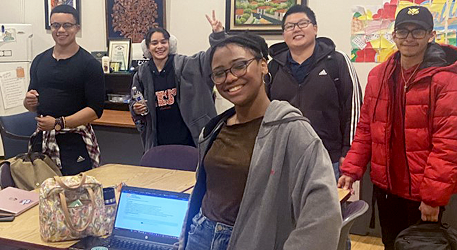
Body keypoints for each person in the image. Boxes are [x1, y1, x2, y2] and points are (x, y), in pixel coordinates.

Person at [179, 33, 341, 250]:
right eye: (219, 73)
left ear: (263, 65)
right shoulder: (213, 129)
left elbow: (323, 213)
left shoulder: (292, 130)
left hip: (251, 240)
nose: (230, 78)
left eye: (239, 66)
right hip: (201, 234)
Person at [338, 6, 457, 249]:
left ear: (431, 35)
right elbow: (367, 127)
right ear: (394, 35)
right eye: (403, 31)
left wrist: (432, 198)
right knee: (391, 244)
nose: (409, 38)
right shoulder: (379, 76)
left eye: (417, 31)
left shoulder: (447, 81)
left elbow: (449, 146)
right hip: (386, 187)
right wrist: (351, 169)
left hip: (422, 193)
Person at [267, 4, 362, 179]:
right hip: (283, 160)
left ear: (315, 28)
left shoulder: (337, 61)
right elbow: (263, 112)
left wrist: (348, 151)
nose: (296, 29)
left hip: (328, 158)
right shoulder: (272, 68)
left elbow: (354, 109)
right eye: (290, 26)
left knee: (326, 206)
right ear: (284, 34)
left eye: (302, 23)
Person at [24, 4, 104, 175]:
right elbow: (33, 106)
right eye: (55, 25)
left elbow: (95, 110)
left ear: (77, 28)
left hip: (75, 142)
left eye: (67, 25)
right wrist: (28, 101)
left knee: (76, 195)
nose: (60, 30)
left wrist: (59, 123)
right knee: (42, 192)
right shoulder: (39, 61)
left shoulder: (89, 65)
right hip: (43, 140)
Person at [129, 11, 225, 151]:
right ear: (148, 48)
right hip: (158, 139)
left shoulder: (186, 64)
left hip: (189, 138)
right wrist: (136, 108)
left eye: (163, 42)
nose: (160, 46)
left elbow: (211, 58)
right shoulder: (142, 73)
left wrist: (218, 35)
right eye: (154, 43)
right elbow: (133, 100)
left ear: (170, 44)